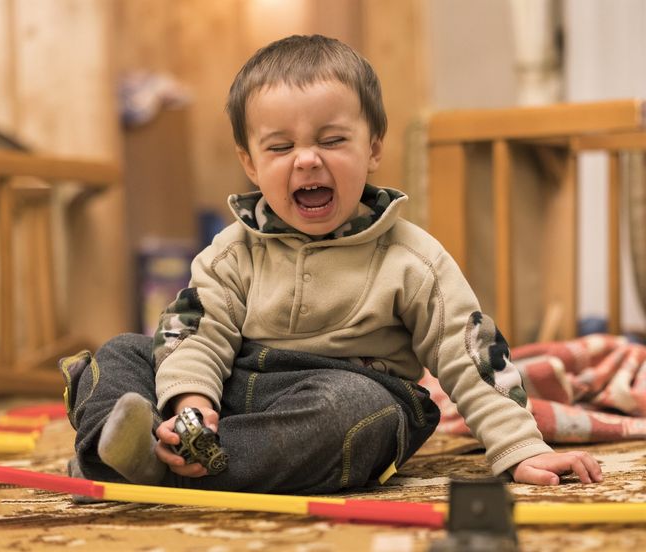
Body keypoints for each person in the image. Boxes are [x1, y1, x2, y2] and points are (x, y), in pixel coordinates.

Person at [61, 34, 602, 495]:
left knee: (356, 412)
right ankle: (133, 450)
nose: (307, 159)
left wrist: (520, 446)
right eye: (280, 147)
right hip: (234, 390)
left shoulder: (413, 259)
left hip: (345, 395)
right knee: (122, 353)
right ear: (250, 164)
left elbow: (471, 354)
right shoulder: (232, 253)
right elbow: (199, 336)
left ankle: (161, 471)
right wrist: (191, 403)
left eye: (333, 140)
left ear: (373, 148)